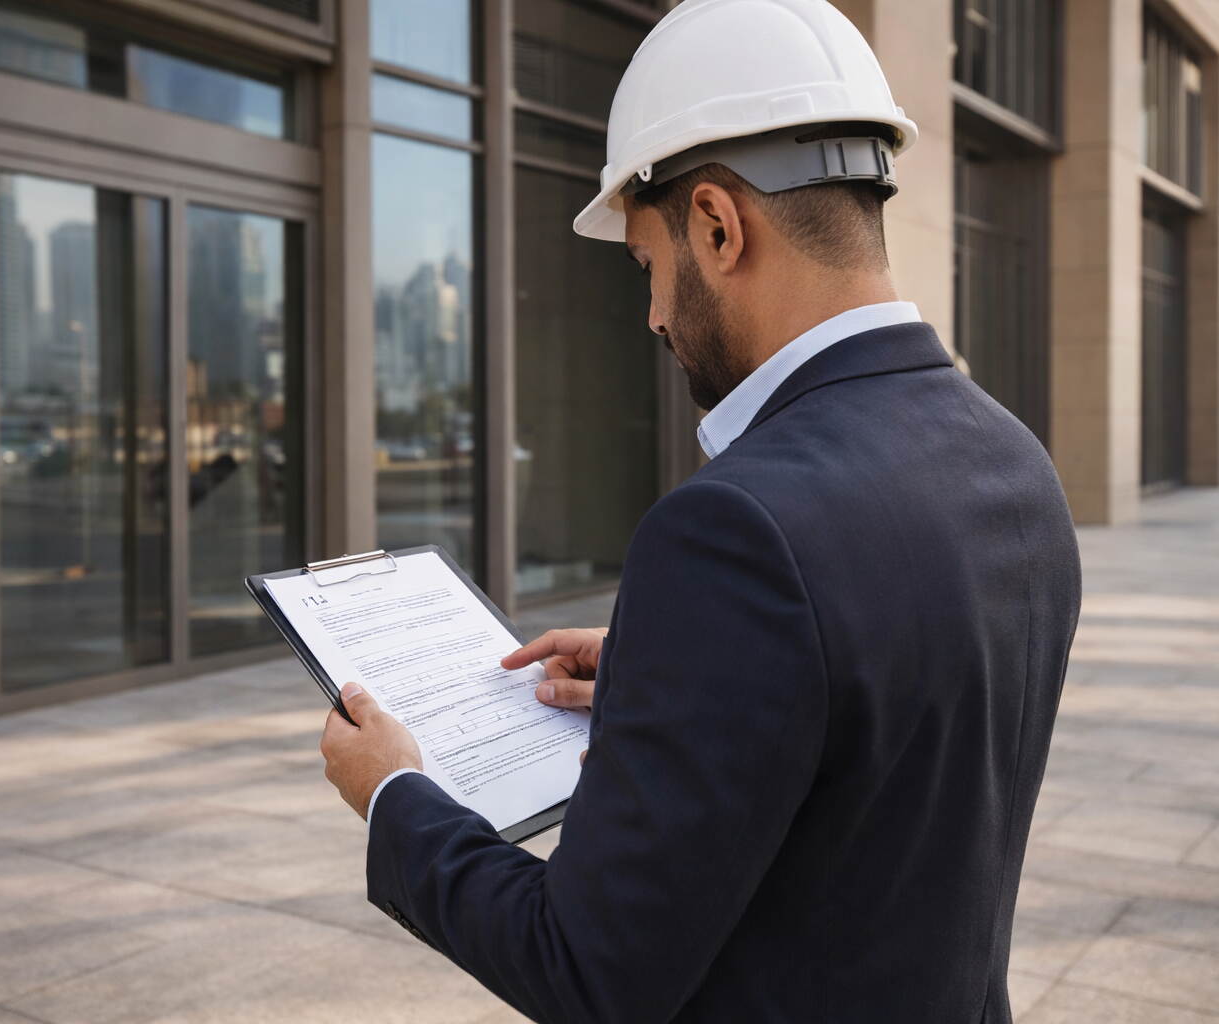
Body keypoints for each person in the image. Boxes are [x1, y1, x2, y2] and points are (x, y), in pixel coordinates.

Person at [317, 1, 1081, 1020]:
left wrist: (396, 797)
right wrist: (671, 667)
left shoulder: (735, 528)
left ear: (718, 225)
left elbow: (586, 968)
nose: (654, 315)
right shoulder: (1015, 462)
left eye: (648, 264)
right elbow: (891, 725)